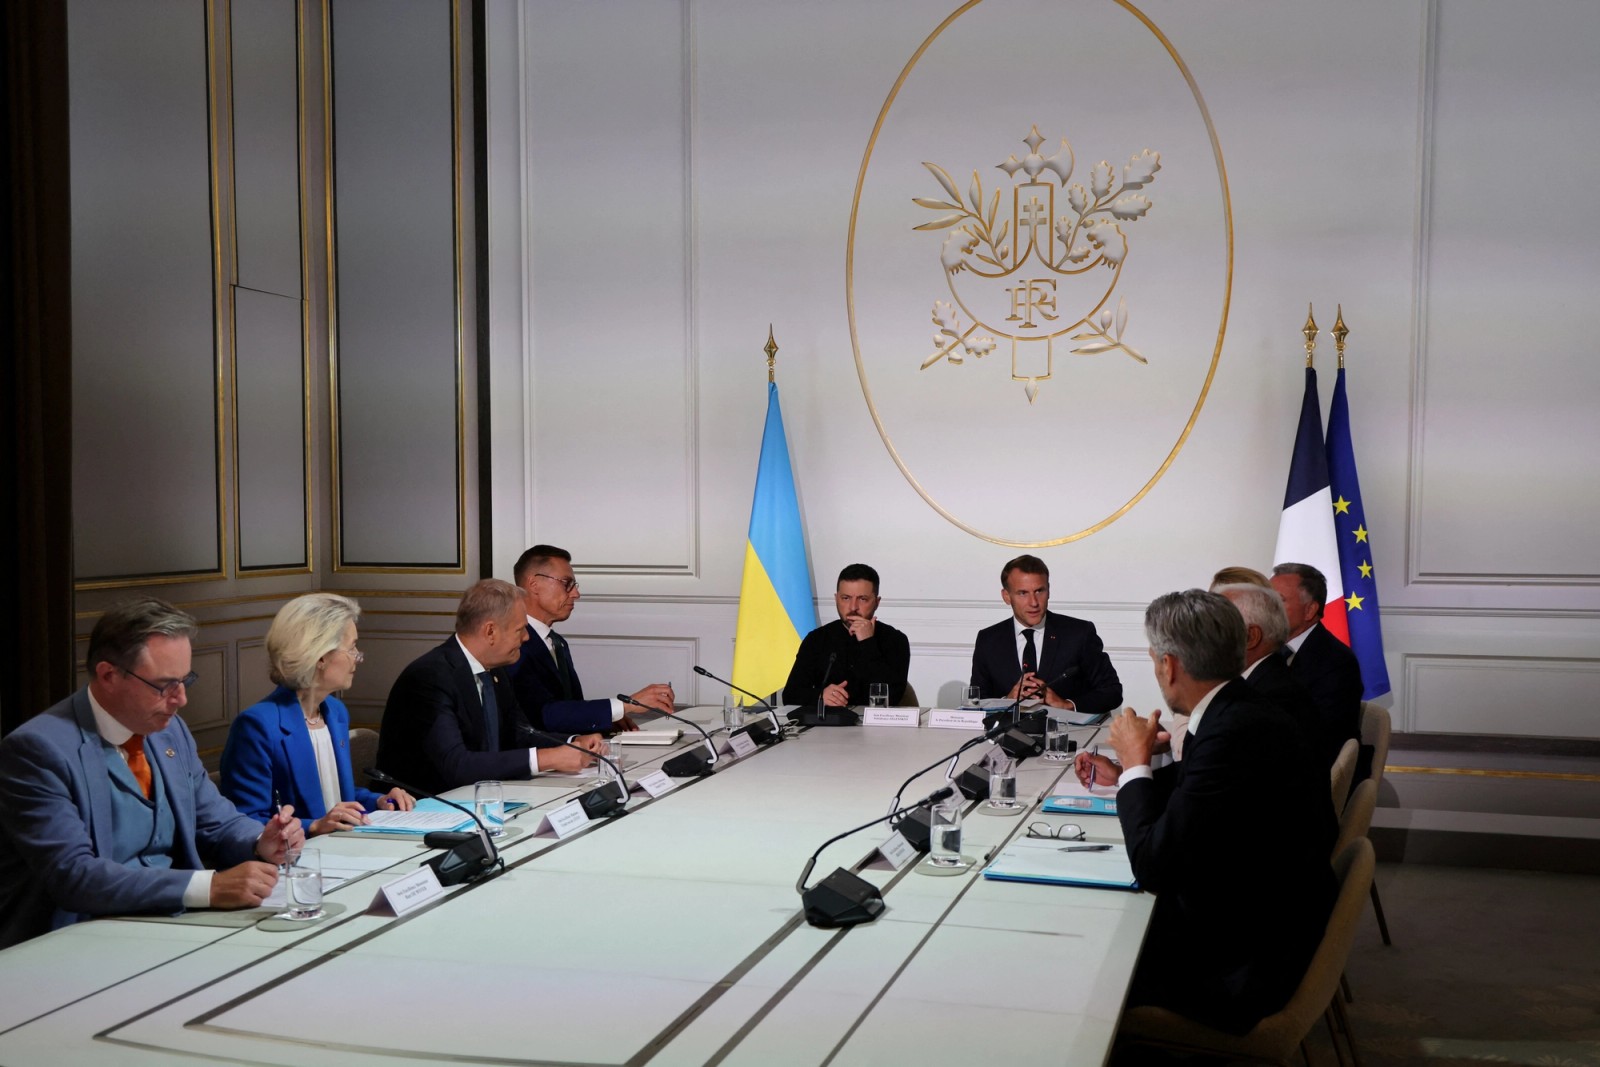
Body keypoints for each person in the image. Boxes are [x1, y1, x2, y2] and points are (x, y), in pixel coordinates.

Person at [1075, 590, 1336, 1035]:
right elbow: (1197, 791)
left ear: (1169, 665)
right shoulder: (1236, 707)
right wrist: (1128, 773)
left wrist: (1137, 764)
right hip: (1255, 921)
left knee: (1082, 950)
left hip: (1239, 962)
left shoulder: (1234, 729)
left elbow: (1154, 866)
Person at [0, 598, 303, 948]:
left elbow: (216, 822)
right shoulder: (37, 750)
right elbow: (74, 875)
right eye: (164, 685)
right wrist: (207, 887)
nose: (181, 699)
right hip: (75, 941)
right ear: (109, 675)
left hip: (177, 929)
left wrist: (260, 841)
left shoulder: (169, 732)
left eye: (185, 680)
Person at [377, 579, 603, 796]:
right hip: (422, 806)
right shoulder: (430, 677)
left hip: (483, 797)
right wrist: (547, 759)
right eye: (520, 629)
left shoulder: (495, 671)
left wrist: (574, 743)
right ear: (490, 632)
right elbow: (456, 765)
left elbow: (519, 733)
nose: (526, 637)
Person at [220, 594, 415, 837]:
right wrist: (313, 826)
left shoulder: (336, 712)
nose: (358, 657)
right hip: (298, 856)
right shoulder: (257, 725)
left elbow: (334, 796)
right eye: (351, 648)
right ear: (320, 656)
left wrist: (379, 801)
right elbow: (244, 821)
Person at [509, 545, 675, 734]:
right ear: (534, 584)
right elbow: (542, 715)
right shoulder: (511, 644)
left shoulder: (557, 642)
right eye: (566, 583)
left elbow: (569, 709)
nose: (576, 594)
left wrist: (606, 719)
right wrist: (626, 705)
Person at [968, 554, 1121, 714]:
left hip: (1066, 729)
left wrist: (1066, 705)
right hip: (1006, 730)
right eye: (1023, 593)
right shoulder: (988, 640)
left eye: (1039, 591)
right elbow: (977, 703)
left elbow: (1112, 691)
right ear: (1006, 596)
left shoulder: (1079, 633)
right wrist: (1007, 701)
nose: (1034, 602)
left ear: (1049, 590)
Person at [1215, 582, 1322, 765]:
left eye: (1217, 627)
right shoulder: (1256, 684)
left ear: (1251, 637)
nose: (1206, 637)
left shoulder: (1273, 699)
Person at [1270, 562, 1363, 767]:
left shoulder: (1337, 662)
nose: (1267, 608)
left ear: (1310, 610)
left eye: (1279, 600)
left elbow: (1322, 736)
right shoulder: (1265, 650)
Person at [782, 564, 911, 708]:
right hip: (829, 721)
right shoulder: (816, 639)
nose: (853, 607)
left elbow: (892, 697)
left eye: (862, 599)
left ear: (876, 602)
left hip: (875, 722)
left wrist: (868, 643)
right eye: (846, 598)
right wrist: (820, 696)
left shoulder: (896, 640)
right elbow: (790, 695)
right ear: (836, 599)